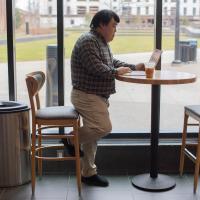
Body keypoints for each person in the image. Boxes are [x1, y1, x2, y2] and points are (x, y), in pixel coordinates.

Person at [63, 9, 145, 187]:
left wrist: (133, 67)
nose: (116, 30)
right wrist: (116, 72)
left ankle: (88, 173)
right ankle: (70, 140)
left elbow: (111, 62)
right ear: (102, 25)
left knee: (92, 134)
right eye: (114, 26)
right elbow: (97, 68)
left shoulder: (100, 42)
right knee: (103, 127)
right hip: (86, 95)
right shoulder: (88, 41)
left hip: (94, 95)